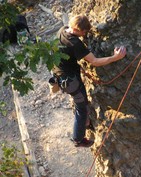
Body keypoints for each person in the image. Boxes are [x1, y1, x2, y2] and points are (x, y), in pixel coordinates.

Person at [52, 14, 126, 147]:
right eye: (84, 32)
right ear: (78, 30)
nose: (84, 35)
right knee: (81, 108)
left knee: (81, 102)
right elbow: (95, 61)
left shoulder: (63, 30)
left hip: (60, 75)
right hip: (71, 81)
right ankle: (78, 139)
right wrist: (115, 57)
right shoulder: (75, 43)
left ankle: (85, 123)